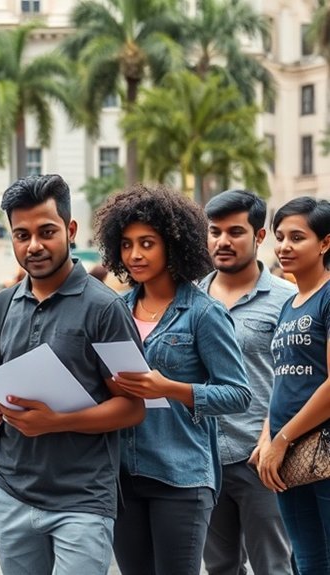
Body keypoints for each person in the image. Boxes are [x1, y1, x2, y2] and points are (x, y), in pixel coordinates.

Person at [0, 174, 145, 575]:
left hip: (81, 500)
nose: (33, 245)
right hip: (11, 492)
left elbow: (133, 408)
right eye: (22, 234)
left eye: (46, 232)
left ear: (70, 230)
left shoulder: (106, 309)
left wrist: (57, 422)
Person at [94, 185, 252, 575]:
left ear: (174, 244)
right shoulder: (115, 310)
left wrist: (171, 389)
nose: (135, 254)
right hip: (122, 476)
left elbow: (238, 394)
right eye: (127, 244)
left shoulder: (203, 313)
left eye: (147, 243)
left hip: (180, 476)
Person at [198, 190, 296, 575]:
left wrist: (275, 439)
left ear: (259, 237)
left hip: (262, 458)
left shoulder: (287, 300)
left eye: (235, 231)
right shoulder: (191, 299)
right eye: (215, 231)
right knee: (220, 566)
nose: (223, 241)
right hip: (204, 459)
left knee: (273, 565)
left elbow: (296, 382)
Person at [255, 197, 330, 573]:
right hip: (286, 456)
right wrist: (268, 439)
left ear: (325, 243)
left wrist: (282, 439)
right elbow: (281, 379)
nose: (283, 247)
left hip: (323, 452)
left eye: (297, 237)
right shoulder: (291, 304)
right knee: (305, 560)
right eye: (280, 236)